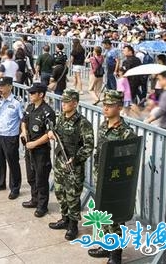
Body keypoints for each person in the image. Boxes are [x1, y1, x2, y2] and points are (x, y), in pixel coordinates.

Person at [87, 90, 137, 264]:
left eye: (110, 105)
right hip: (99, 177)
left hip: (115, 182)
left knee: (115, 218)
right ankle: (106, 246)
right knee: (102, 214)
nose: (106, 108)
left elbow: (127, 162)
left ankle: (116, 255)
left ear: (119, 107)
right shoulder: (103, 126)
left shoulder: (126, 133)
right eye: (104, 105)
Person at [48, 89, 94, 241]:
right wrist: (52, 135)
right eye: (63, 101)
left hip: (73, 167)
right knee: (60, 193)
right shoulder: (60, 118)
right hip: (60, 164)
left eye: (67, 102)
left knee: (72, 197)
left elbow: (89, 146)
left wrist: (76, 158)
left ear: (75, 103)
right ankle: (64, 218)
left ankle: (73, 225)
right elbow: (56, 133)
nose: (64, 105)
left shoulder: (82, 123)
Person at [20, 83, 55, 217]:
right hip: (29, 149)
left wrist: (34, 144)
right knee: (31, 177)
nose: (30, 95)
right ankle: (34, 200)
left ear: (41, 95)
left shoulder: (47, 112)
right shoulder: (30, 107)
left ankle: (42, 206)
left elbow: (49, 134)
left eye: (33, 93)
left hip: (41, 151)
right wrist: (24, 132)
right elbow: (24, 120)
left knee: (41, 179)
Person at [0, 76, 23, 200]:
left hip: (10, 137)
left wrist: (22, 133)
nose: (0, 88)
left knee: (13, 163)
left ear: (10, 87)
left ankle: (15, 188)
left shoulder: (17, 102)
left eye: (2, 86)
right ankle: (0, 183)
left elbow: (22, 120)